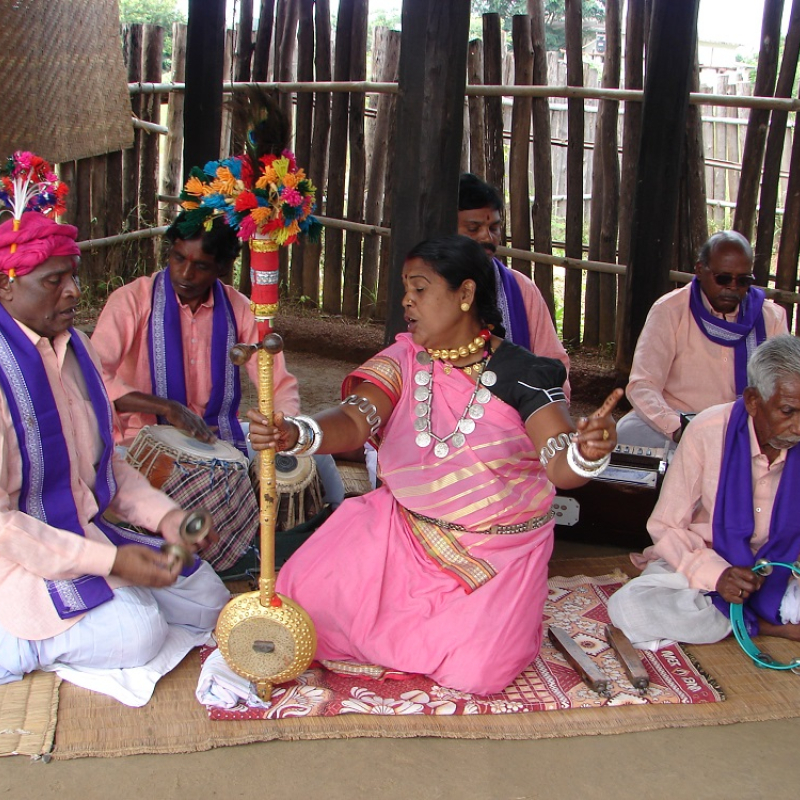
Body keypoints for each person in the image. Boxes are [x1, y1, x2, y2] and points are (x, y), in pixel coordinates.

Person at [248, 235, 621, 695]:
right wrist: (298, 433)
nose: (407, 300)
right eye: (405, 287)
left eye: (420, 288)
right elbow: (355, 418)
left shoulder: (525, 372)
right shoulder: (404, 358)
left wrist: (587, 452)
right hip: (404, 531)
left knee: (477, 671)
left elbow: (560, 467)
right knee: (301, 593)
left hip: (494, 556)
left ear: (465, 294)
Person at [0, 210, 230, 691]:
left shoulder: (75, 349)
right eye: (54, 280)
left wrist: (169, 519)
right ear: (7, 287)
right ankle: (12, 640)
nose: (73, 291)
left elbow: (107, 462)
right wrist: (113, 564)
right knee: (137, 632)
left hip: (83, 532)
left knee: (209, 598)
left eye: (73, 277)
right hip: (17, 558)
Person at [92, 213, 345, 567]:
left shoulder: (239, 308)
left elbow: (278, 380)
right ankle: (243, 555)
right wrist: (165, 407)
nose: (184, 273)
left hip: (218, 433)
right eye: (178, 258)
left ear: (223, 268)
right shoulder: (132, 301)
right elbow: (93, 376)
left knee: (315, 452)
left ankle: (333, 529)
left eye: (200, 266)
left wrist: (284, 427)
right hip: (138, 441)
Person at [608, 335, 800, 650]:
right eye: (788, 411)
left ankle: (750, 614)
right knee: (629, 608)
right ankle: (765, 624)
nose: (798, 426)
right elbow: (666, 526)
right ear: (753, 401)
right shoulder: (709, 431)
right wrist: (718, 575)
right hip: (710, 562)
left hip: (784, 570)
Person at [617, 231, 787, 449]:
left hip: (746, 426)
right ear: (700, 270)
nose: (733, 287)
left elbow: (781, 387)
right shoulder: (670, 310)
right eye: (723, 278)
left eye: (743, 280)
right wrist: (678, 428)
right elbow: (643, 384)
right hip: (681, 421)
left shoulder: (770, 317)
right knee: (627, 433)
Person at [457, 172, 570, 399]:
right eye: (473, 229)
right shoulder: (425, 290)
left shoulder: (521, 289)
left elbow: (553, 364)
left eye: (494, 228)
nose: (487, 238)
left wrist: (543, 412)